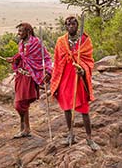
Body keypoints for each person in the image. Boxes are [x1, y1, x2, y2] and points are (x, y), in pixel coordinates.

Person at [50, 16, 100, 151]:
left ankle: (89, 138)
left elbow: (89, 61)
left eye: (73, 24)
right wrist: (53, 78)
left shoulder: (84, 41)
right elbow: (57, 60)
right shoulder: (61, 41)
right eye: (68, 24)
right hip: (65, 78)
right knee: (67, 107)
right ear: (65, 26)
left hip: (78, 79)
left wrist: (82, 70)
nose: (71, 26)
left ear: (77, 25)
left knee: (84, 110)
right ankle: (70, 134)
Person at [7, 23, 52, 138]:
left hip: (29, 76)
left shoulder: (36, 43)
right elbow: (22, 57)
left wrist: (48, 72)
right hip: (20, 75)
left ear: (27, 31)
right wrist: (13, 59)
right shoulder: (21, 43)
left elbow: (46, 58)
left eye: (21, 31)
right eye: (18, 31)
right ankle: (25, 128)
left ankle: (25, 128)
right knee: (21, 103)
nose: (18, 34)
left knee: (20, 104)